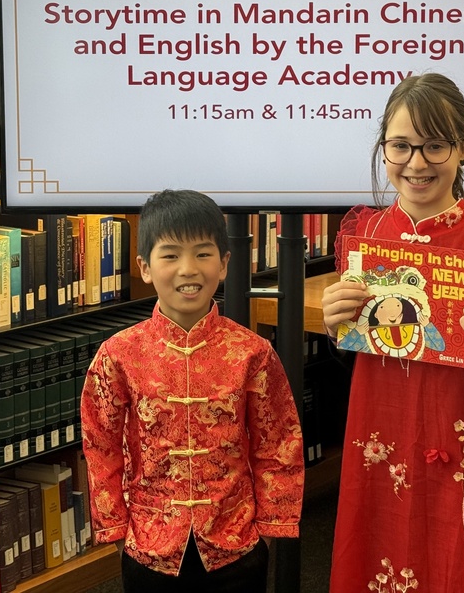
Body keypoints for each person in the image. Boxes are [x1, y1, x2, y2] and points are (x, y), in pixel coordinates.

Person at [322, 73, 464, 592]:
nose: (417, 163)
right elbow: (358, 360)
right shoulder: (364, 236)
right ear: (384, 148)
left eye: (435, 146)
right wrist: (337, 332)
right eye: (401, 146)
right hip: (381, 446)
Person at [80, 189, 304, 593]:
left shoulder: (252, 352)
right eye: (170, 255)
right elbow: (101, 444)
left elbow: (279, 441)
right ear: (144, 267)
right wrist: (116, 528)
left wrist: (269, 527)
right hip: (150, 544)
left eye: (203, 254)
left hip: (236, 543)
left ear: (225, 264)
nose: (188, 269)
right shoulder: (118, 354)